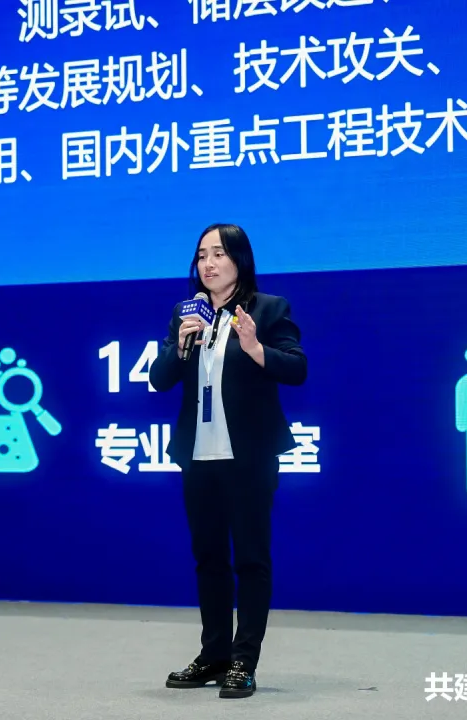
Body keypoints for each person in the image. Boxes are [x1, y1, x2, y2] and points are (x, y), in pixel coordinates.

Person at [149, 223, 307, 699]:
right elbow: (159, 378)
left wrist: (256, 348)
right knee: (209, 558)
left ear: (240, 259)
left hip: (248, 455)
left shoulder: (268, 309)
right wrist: (181, 345)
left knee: (251, 559)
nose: (208, 263)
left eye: (218, 253)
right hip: (199, 455)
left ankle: (243, 661)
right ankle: (214, 654)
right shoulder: (186, 314)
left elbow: (297, 367)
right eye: (202, 255)